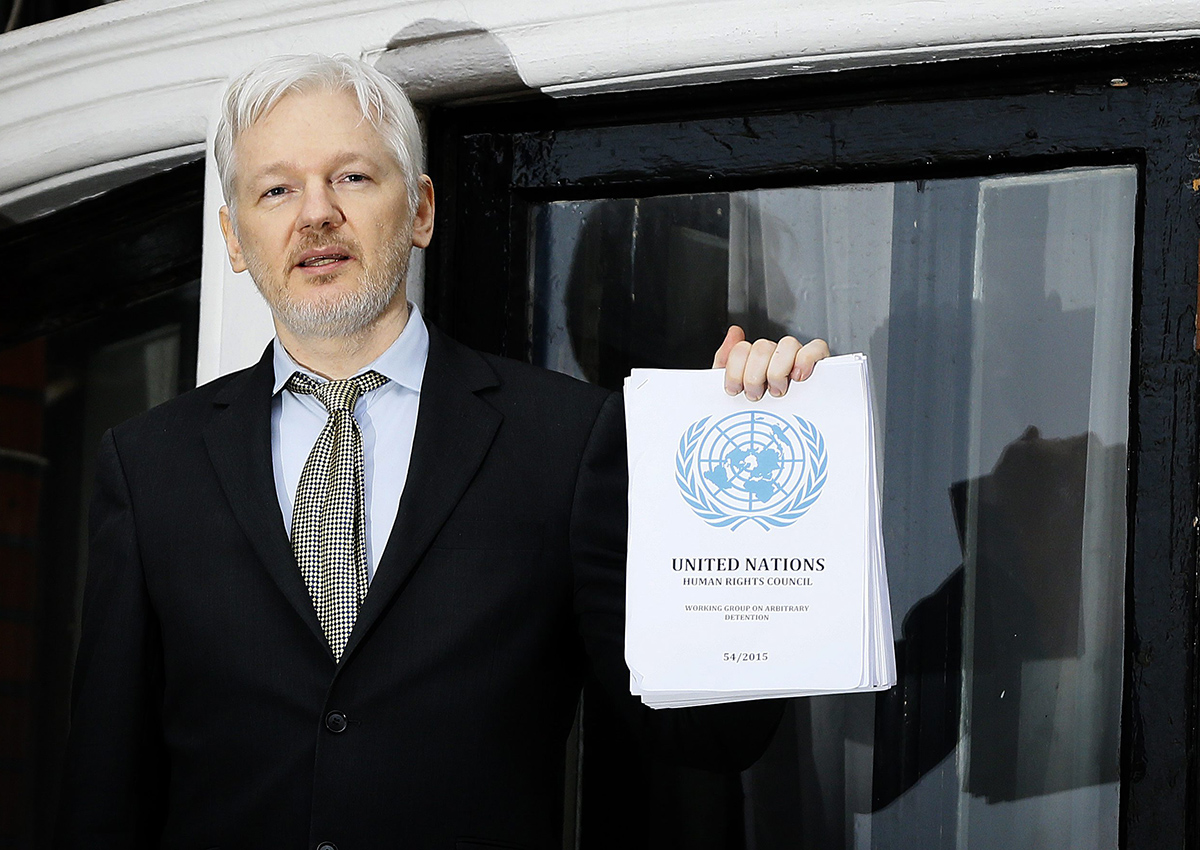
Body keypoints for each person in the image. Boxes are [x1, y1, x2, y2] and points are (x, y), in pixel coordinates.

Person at [59, 54, 830, 849]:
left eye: (352, 177)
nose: (317, 214)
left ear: (422, 210)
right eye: (277, 189)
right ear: (233, 236)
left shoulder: (565, 442)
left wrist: (758, 462)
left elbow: (708, 735)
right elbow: (104, 793)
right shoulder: (148, 466)